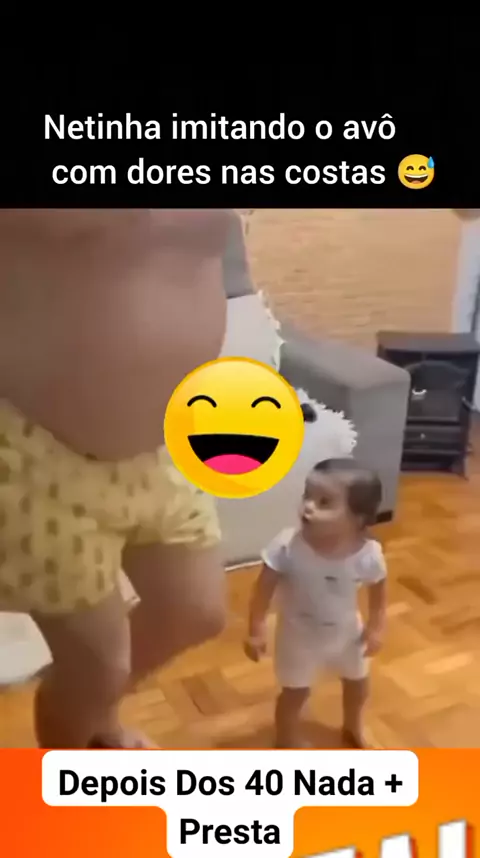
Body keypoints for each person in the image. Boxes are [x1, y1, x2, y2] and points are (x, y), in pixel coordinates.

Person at [0, 209, 233, 749]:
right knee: (98, 665)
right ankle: (70, 764)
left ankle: (90, 712)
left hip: (157, 447)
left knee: (196, 612)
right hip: (33, 450)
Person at [244, 457, 387, 749]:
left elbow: (378, 592)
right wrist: (256, 628)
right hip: (298, 637)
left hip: (348, 635)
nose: (308, 506)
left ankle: (353, 725)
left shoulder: (368, 554)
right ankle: (286, 738)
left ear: (358, 519)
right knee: (295, 693)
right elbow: (263, 589)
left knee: (358, 684)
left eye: (324, 502)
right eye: (307, 496)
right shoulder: (287, 546)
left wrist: (375, 627)